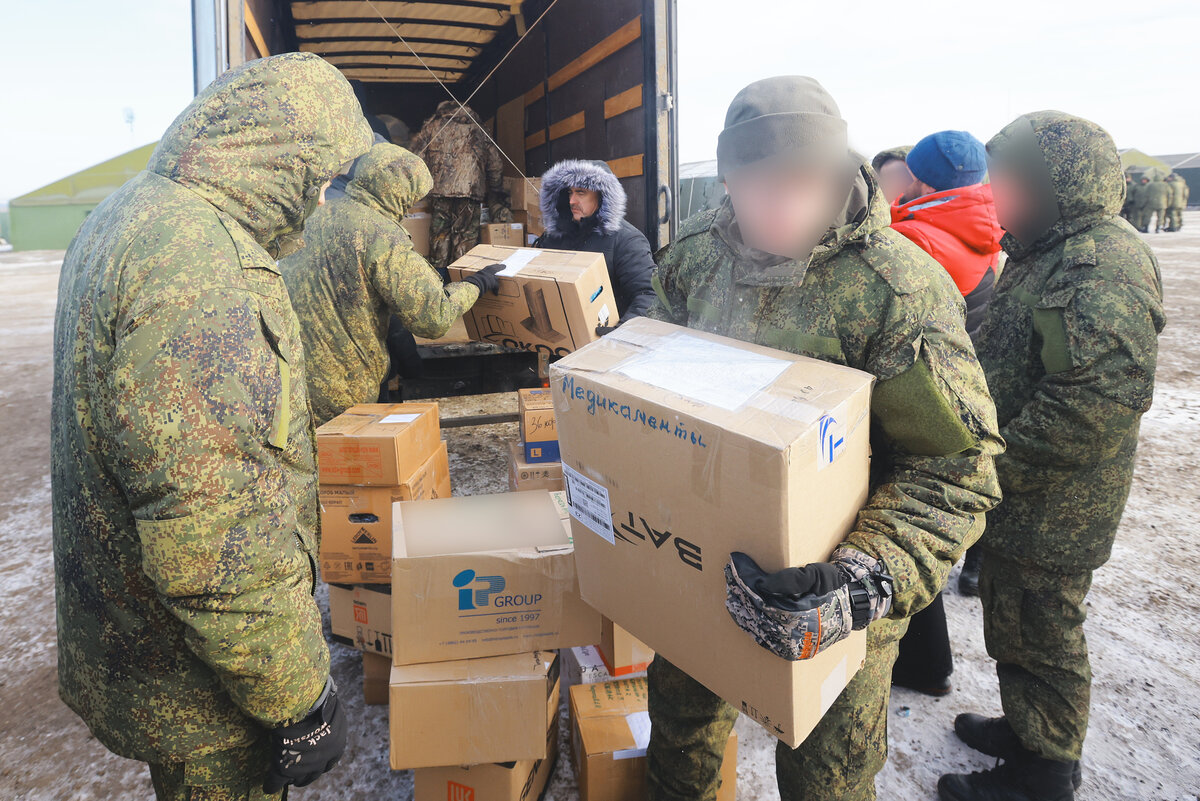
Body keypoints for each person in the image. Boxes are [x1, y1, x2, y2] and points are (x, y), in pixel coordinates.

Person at [646, 75, 1003, 801]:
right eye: (757, 184)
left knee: (826, 776)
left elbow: (958, 467)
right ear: (726, 177)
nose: (779, 207)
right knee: (680, 727)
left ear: (840, 174)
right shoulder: (692, 258)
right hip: (703, 554)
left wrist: (862, 579)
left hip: (839, 585)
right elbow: (656, 387)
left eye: (802, 183)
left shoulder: (895, 289)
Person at [51, 53, 373, 800]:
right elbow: (211, 532)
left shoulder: (128, 215)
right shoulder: (201, 265)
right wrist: (298, 697)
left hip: (138, 638)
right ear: (282, 154)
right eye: (320, 178)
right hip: (203, 690)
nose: (319, 203)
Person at [939, 111, 1165, 801]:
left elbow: (1091, 404)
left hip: (1055, 502)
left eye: (1008, 179)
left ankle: (1045, 771)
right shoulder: (1046, 247)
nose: (994, 192)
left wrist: (991, 471)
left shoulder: (1098, 265)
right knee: (1013, 614)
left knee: (1044, 627)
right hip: (1027, 494)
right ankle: (1028, 724)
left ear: (1053, 185)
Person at [282, 142, 500, 426]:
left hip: (296, 383)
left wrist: (437, 274)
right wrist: (477, 284)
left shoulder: (317, 217)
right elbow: (432, 317)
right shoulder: (380, 234)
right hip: (349, 394)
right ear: (398, 190)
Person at [891, 130, 1002, 336]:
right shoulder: (983, 221)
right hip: (961, 349)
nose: (903, 183)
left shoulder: (914, 238)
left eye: (910, 176)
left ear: (929, 188)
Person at [534, 159, 657, 328]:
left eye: (581, 192)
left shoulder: (627, 240)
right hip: (562, 342)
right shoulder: (555, 237)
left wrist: (620, 334)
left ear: (602, 195)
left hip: (607, 344)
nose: (572, 200)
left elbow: (649, 295)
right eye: (569, 193)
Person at [411, 100, 512, 271]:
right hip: (470, 193)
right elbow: (495, 164)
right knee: (465, 241)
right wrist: (496, 190)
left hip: (440, 193)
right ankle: (462, 280)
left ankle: (440, 282)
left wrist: (419, 191)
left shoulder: (432, 127)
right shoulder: (478, 128)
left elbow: (415, 158)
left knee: (439, 240)